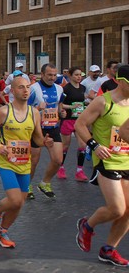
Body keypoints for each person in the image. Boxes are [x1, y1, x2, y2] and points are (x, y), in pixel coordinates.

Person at [0, 76, 53, 248]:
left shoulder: (34, 113)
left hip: (24, 161)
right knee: (14, 200)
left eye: (28, 87)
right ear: (13, 91)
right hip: (5, 161)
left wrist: (45, 142)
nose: (26, 90)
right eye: (21, 87)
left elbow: (37, 138)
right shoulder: (4, 112)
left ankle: (3, 231)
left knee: (20, 202)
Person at [75, 64, 129, 266]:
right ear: (121, 81)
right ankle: (87, 226)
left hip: (127, 160)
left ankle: (109, 249)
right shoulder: (102, 102)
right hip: (107, 160)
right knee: (117, 209)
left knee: (128, 211)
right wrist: (94, 145)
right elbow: (80, 124)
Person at [27, 63, 65, 199]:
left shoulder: (59, 89)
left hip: (53, 127)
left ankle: (45, 183)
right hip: (36, 129)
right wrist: (37, 108)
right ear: (42, 75)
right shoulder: (33, 89)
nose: (52, 77)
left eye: (55, 75)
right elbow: (24, 110)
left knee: (57, 160)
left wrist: (62, 113)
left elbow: (59, 105)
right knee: (34, 161)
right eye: (49, 75)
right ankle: (27, 185)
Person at [59, 67, 89, 182]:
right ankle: (61, 167)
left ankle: (79, 171)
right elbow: (60, 104)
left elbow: (82, 101)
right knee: (65, 146)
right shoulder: (66, 89)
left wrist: (85, 105)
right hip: (67, 119)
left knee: (82, 145)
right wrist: (72, 107)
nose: (79, 77)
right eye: (76, 75)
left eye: (80, 75)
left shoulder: (82, 88)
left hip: (79, 120)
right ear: (70, 76)